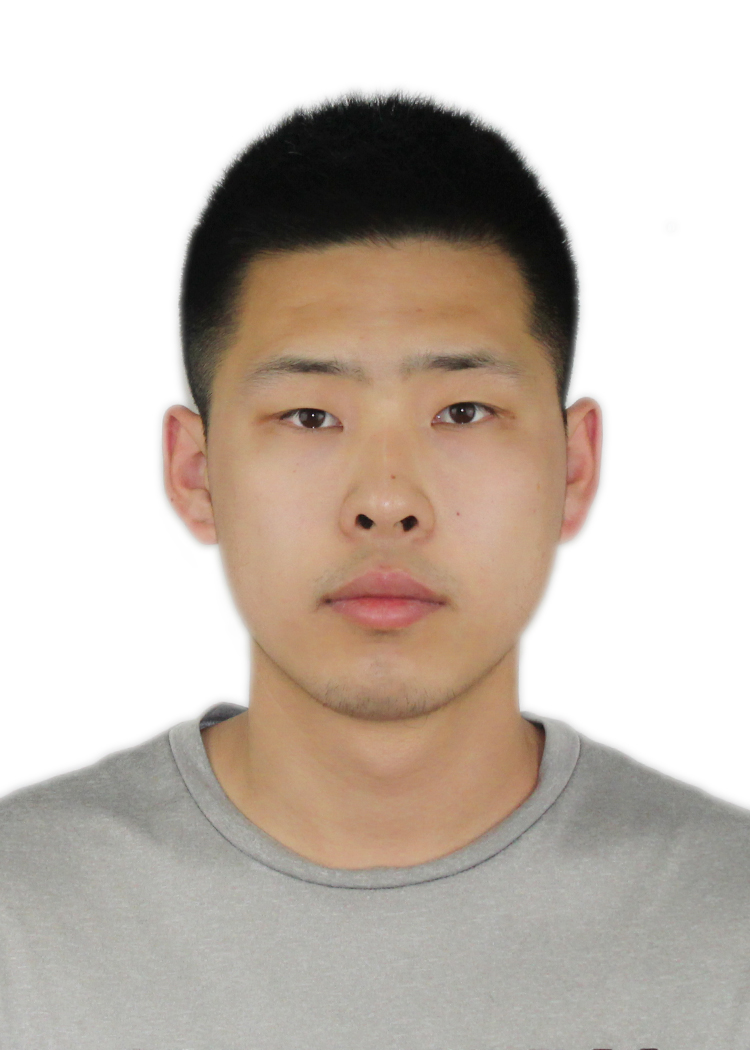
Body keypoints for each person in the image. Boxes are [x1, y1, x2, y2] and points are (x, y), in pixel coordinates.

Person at [1, 91, 748, 1050]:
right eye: (310, 416)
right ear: (196, 474)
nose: (387, 500)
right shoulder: (23, 922)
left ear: (574, 467)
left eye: (462, 412)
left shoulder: (728, 928)